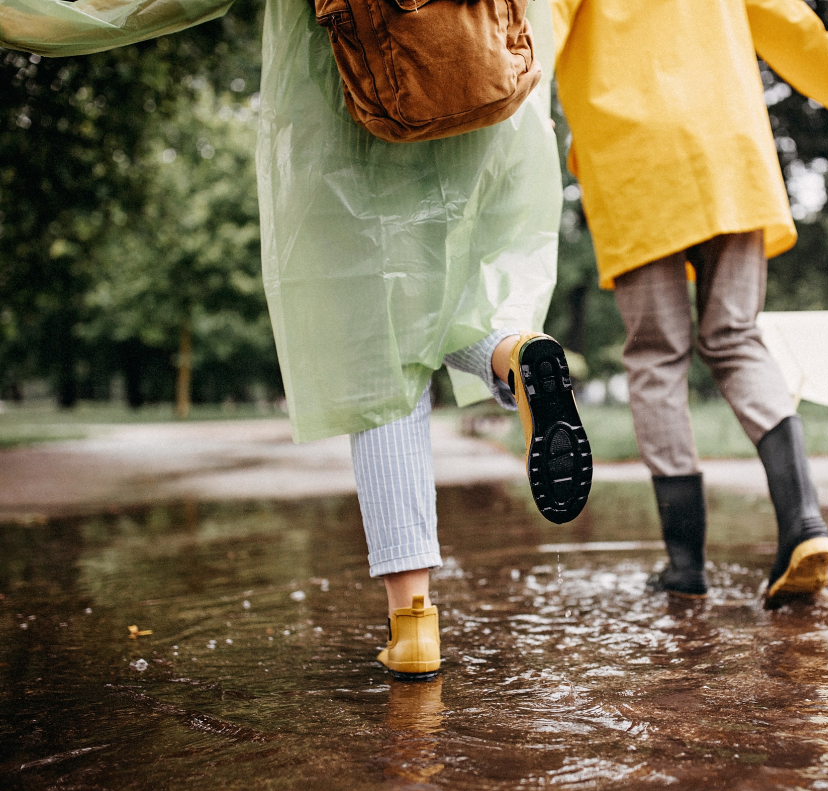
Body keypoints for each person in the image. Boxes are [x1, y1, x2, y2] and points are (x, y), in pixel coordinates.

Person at [1, 0, 592, 677]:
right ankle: (511, 356)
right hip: (487, 81)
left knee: (379, 349)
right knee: (466, 289)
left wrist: (33, 17)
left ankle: (415, 626)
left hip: (357, 103)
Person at [550, 0, 828, 606]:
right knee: (736, 338)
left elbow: (529, 37)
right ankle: (803, 522)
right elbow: (794, 30)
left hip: (631, 160)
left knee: (658, 356)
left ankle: (685, 564)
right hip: (727, 152)